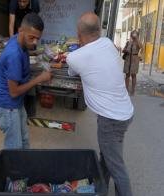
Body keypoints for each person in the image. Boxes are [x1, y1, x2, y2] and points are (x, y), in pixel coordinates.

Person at [66, 12, 134, 196]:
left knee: (116, 166)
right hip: (124, 112)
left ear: (79, 35)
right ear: (99, 30)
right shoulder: (108, 43)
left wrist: (77, 49)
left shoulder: (75, 57)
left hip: (111, 119)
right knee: (107, 156)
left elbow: (72, 72)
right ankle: (100, 189)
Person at [0, 13, 51, 149]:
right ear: (20, 31)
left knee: (24, 141)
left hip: (16, 105)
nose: (34, 42)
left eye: (37, 39)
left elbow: (26, 48)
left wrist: (37, 54)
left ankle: (23, 167)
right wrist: (39, 78)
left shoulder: (19, 40)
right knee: (14, 148)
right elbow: (14, 92)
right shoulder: (14, 55)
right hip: (9, 107)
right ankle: (11, 169)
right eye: (31, 38)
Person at [123, 30, 142, 96]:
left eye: (135, 34)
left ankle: (133, 90)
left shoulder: (138, 42)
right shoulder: (128, 42)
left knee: (134, 75)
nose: (134, 35)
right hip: (128, 59)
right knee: (127, 75)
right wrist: (126, 50)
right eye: (133, 34)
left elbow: (141, 47)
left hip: (135, 59)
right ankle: (126, 89)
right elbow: (123, 50)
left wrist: (136, 39)